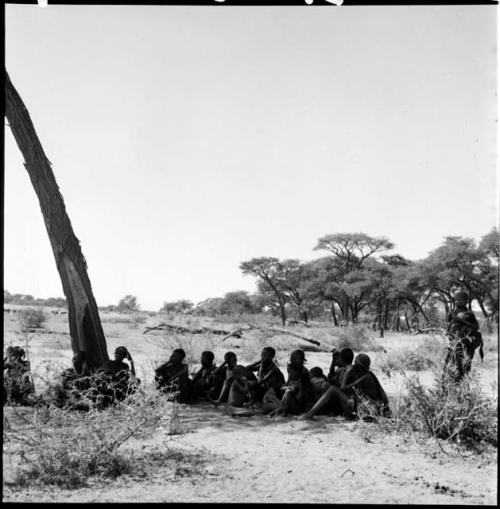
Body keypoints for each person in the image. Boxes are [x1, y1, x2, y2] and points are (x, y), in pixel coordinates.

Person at [301, 353, 389, 420]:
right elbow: (382, 393)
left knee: (333, 389)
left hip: (366, 409)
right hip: (369, 407)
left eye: (356, 364)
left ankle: (309, 414)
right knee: (335, 392)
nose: (354, 366)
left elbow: (346, 388)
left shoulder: (365, 377)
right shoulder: (369, 375)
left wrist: (347, 374)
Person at [444, 291, 483, 381]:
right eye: (455, 300)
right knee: (448, 371)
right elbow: (448, 329)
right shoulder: (453, 313)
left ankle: (463, 393)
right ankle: (448, 392)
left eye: (459, 300)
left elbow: (476, 327)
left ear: (466, 301)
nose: (456, 301)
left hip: (465, 347)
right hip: (453, 346)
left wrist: (461, 320)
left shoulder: (469, 314)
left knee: (463, 372)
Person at [269, 349, 315, 417]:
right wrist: (287, 387)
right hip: (289, 397)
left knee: (288, 392)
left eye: (293, 358)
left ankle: (283, 413)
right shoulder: (291, 368)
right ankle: (278, 409)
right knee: (272, 392)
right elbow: (287, 384)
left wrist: (296, 389)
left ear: (301, 360)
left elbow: (305, 394)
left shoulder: (304, 373)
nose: (291, 360)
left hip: (300, 402)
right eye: (291, 358)